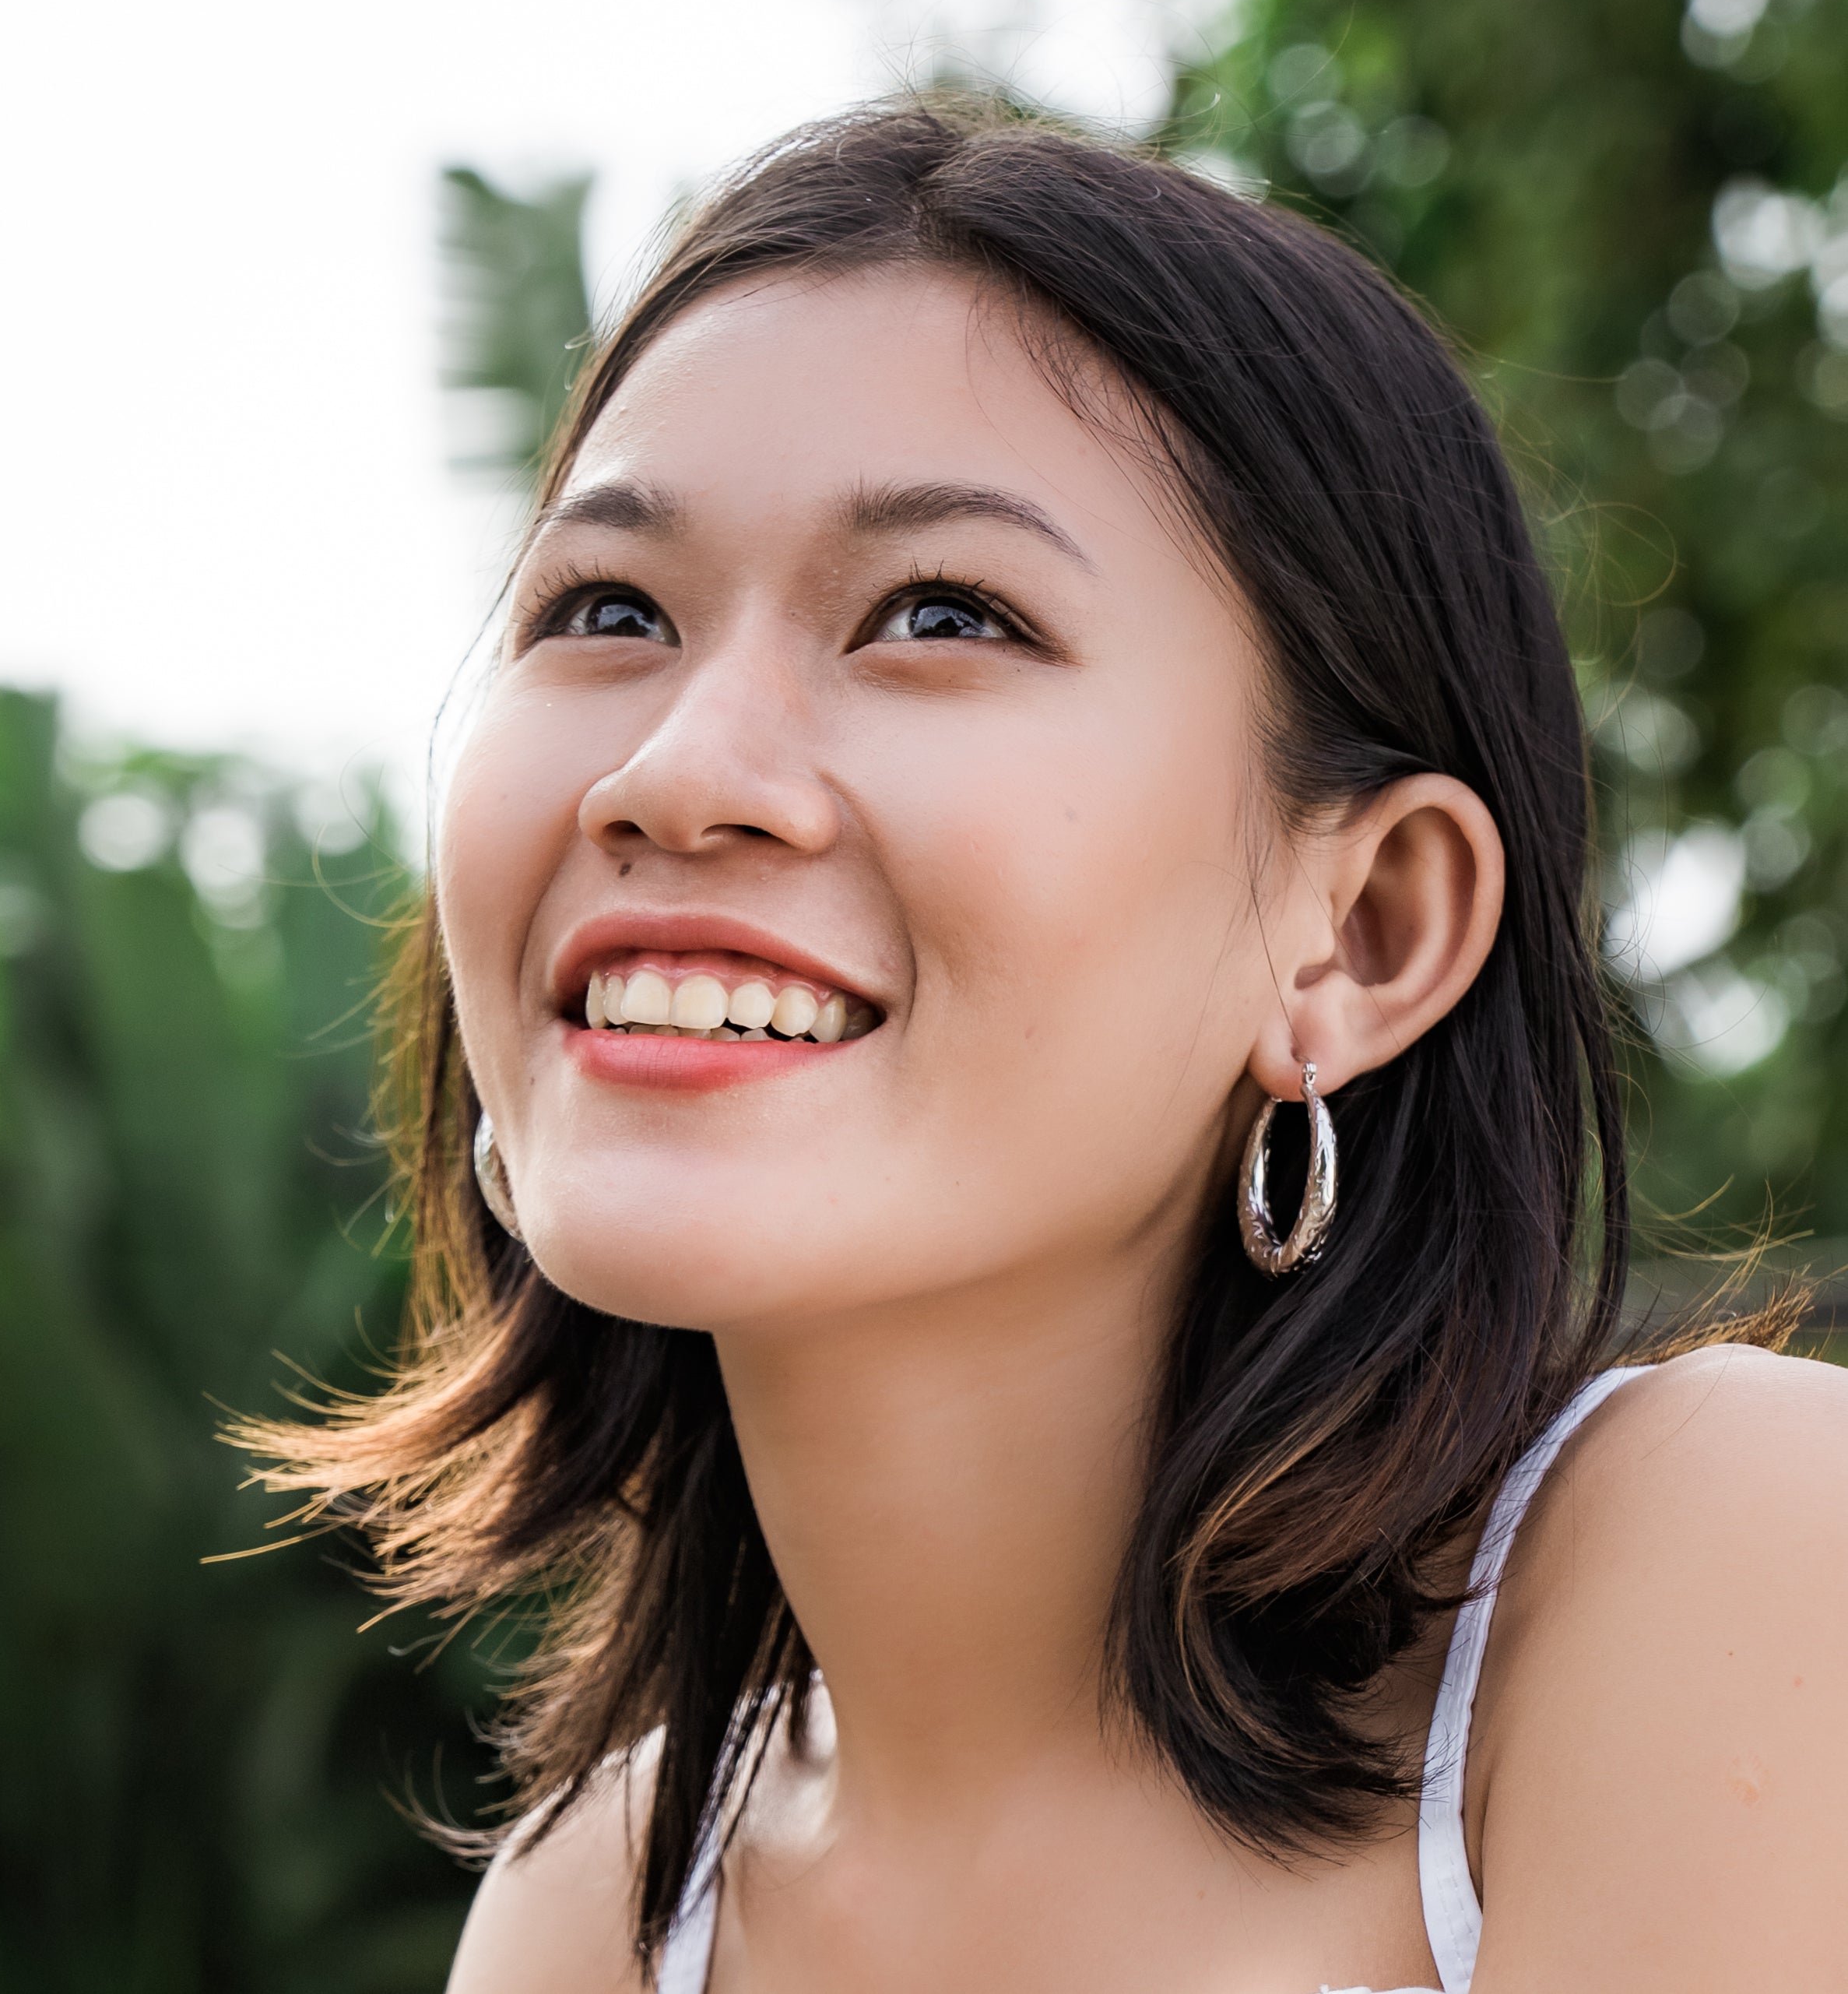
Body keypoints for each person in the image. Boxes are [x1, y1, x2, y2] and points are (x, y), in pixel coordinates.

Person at [247, 98, 1848, 1992]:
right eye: (609, 608)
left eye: (942, 613)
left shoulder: (1723, 1562)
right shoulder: (591, 1916)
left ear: (1360, 927)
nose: (673, 769)